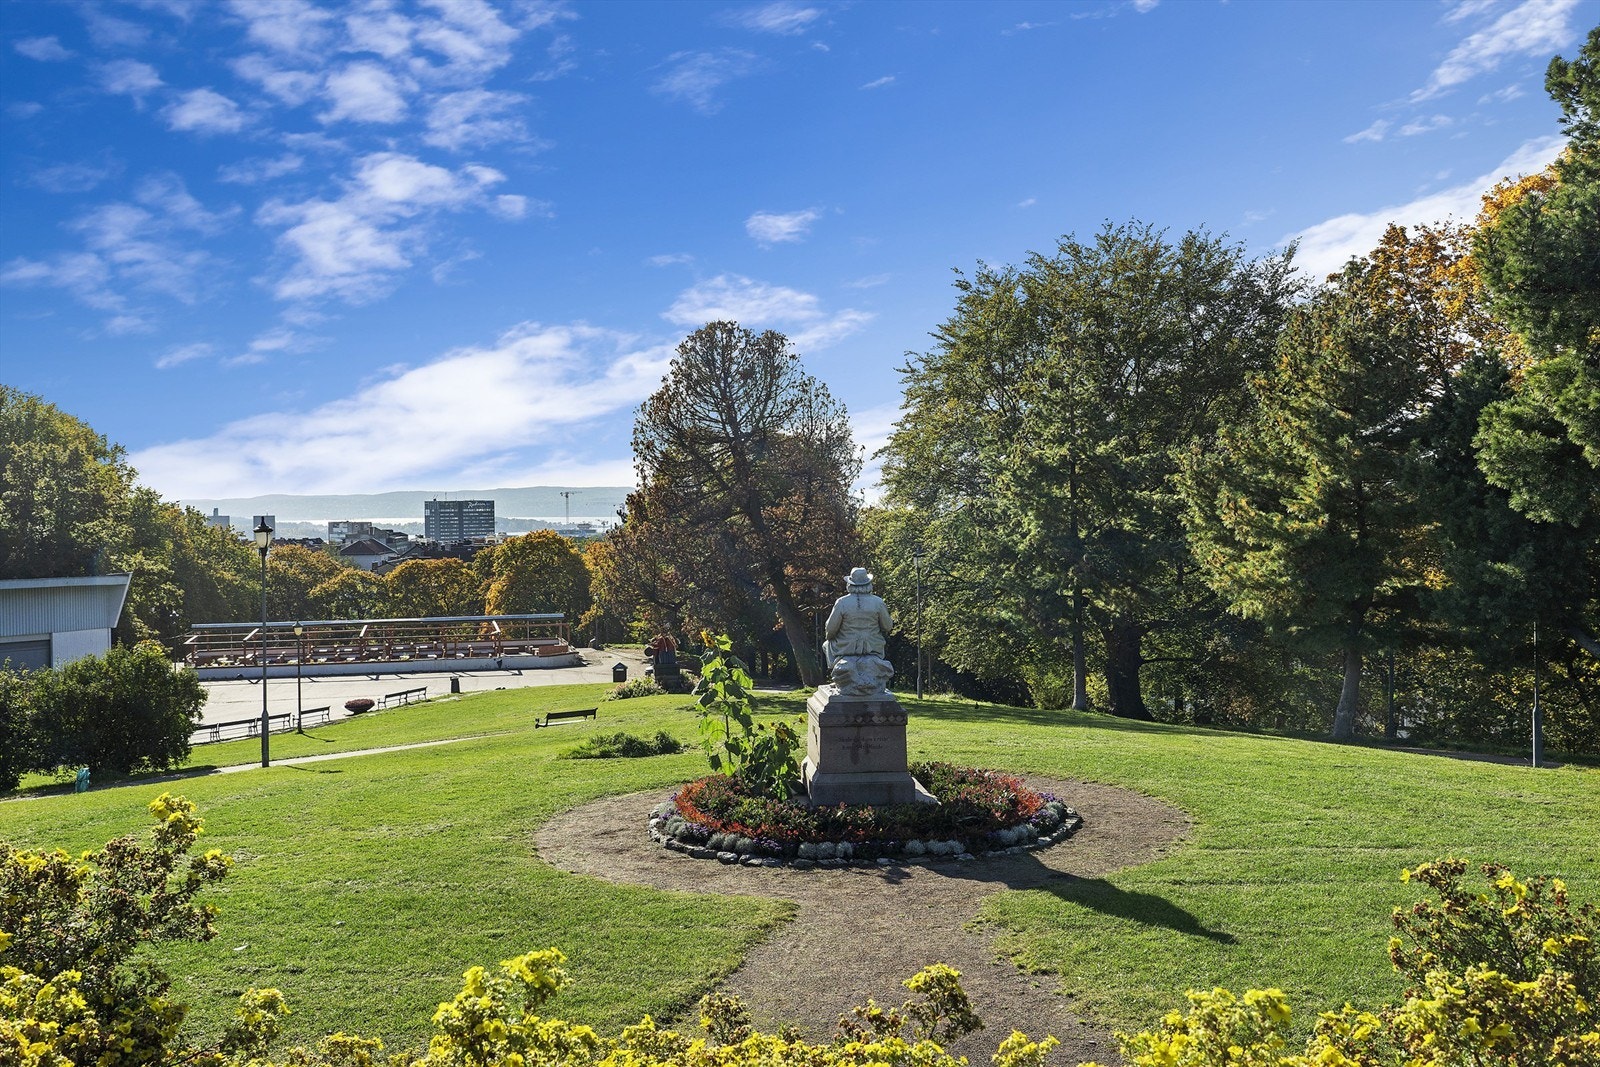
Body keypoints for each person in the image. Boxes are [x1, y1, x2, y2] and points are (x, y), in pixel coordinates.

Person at [823, 568, 893, 667]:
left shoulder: (842, 602)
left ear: (849, 584)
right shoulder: (878, 602)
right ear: (869, 584)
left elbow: (831, 629)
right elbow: (887, 626)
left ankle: (837, 670)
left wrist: (829, 637)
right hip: (872, 646)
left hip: (846, 647)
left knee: (827, 644)